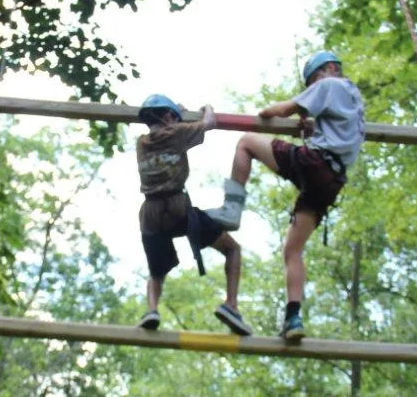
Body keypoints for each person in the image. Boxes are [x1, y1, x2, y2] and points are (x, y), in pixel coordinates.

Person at [206, 50, 365, 342]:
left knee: (246, 143)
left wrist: (270, 112)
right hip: (332, 180)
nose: (313, 88)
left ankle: (232, 209)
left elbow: (277, 112)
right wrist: (310, 123)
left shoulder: (330, 84)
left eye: (314, 81)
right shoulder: (354, 101)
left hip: (316, 163)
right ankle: (293, 317)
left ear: (330, 69)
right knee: (292, 249)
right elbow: (329, 126)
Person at [135, 94, 251, 336]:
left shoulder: (142, 144)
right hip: (178, 210)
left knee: (156, 271)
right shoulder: (177, 135)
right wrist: (206, 107)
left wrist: (173, 113)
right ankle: (231, 305)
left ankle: (152, 309)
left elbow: (163, 125)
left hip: (150, 215)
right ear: (169, 118)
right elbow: (209, 122)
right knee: (232, 249)